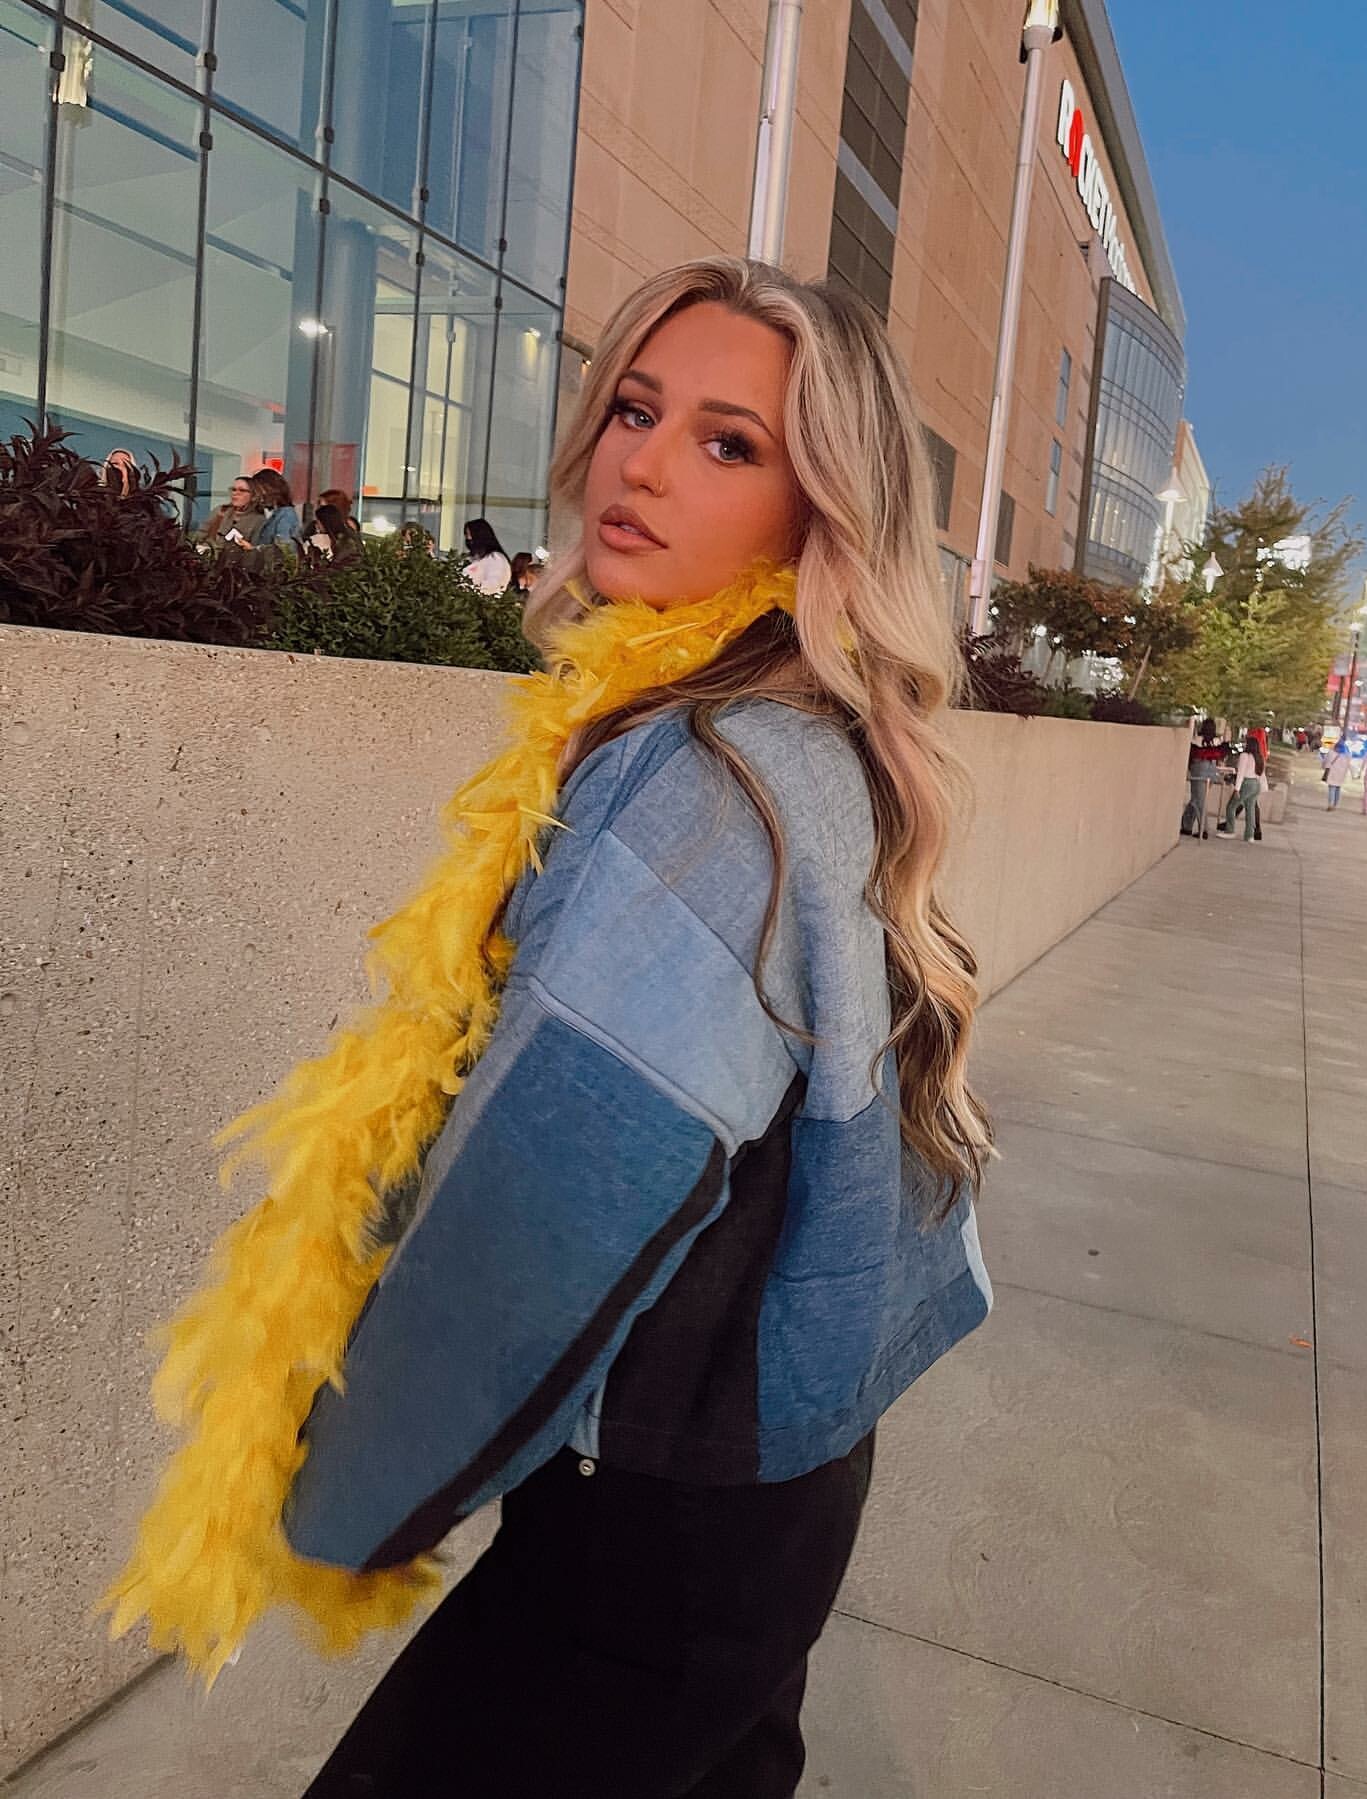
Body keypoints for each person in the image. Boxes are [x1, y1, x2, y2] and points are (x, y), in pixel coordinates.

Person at [107, 258, 996, 1799]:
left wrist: (344, 1474)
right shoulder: (807, 731)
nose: (642, 465)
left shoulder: (713, 771)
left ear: (823, 509)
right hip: (774, 1472)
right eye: (636, 411)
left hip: (656, 1516)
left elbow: (558, 1189)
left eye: (730, 442)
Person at [1217, 732, 1266, 841]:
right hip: (1256, 784)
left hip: (1246, 783)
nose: (1244, 744)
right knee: (1250, 809)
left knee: (1231, 806)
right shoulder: (1259, 757)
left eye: (1245, 743)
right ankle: (1249, 835)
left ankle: (1230, 831)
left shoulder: (1245, 756)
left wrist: (1237, 789)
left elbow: (1241, 773)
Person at [243, 466, 304, 552]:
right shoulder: (273, 514)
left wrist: (254, 548)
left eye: (258, 491)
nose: (257, 496)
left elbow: (283, 547)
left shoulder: (286, 514)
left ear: (270, 489)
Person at [1183, 718, 1224, 839]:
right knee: (1197, 798)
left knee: (1198, 800)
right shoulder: (1217, 741)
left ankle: (1203, 829)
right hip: (1211, 771)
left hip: (1199, 769)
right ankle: (1186, 825)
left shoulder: (1197, 740)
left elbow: (1191, 755)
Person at [198, 475, 265, 547]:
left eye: (242, 490)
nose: (235, 493)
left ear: (253, 495)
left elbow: (256, 548)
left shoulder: (259, 520)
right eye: (233, 489)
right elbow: (200, 535)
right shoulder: (221, 511)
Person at [462, 516, 511, 594]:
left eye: (470, 537)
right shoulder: (472, 558)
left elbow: (493, 584)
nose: (468, 540)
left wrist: (470, 589)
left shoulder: (495, 558)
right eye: (467, 536)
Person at [1322, 733, 1352, 809]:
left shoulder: (1332, 752)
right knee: (1338, 788)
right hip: (1341, 774)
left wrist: (1324, 767)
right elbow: (1349, 765)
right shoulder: (1347, 754)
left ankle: (1330, 804)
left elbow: (1327, 762)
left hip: (1332, 773)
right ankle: (1335, 805)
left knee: (1331, 788)